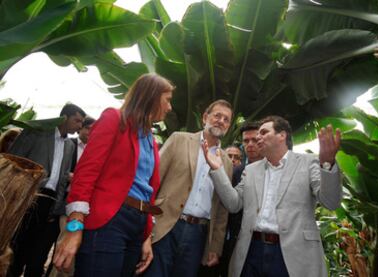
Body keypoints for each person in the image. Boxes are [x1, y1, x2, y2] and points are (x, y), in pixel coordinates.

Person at [53, 73, 174, 277]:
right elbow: (86, 172)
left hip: (137, 225)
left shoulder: (151, 140)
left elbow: (147, 189)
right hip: (110, 219)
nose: (170, 107)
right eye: (167, 100)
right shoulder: (114, 119)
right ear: (151, 96)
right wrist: (74, 227)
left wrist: (146, 237)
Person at [203, 115, 342, 277]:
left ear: (282, 135)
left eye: (263, 132)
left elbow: (331, 202)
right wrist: (217, 170)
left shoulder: (308, 163)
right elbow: (234, 204)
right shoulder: (252, 170)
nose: (257, 137)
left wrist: (328, 164)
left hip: (291, 254)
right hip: (251, 250)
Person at [144, 100, 233, 277]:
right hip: (165, 226)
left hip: (198, 234)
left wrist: (215, 246)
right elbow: (152, 182)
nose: (221, 121)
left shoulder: (227, 162)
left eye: (226, 119)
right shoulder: (179, 139)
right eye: (217, 115)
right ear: (205, 117)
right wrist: (146, 226)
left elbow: (222, 208)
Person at [7, 104, 86, 277]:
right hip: (27, 197)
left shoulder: (69, 146)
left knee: (34, 251)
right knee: (14, 248)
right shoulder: (37, 132)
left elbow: (63, 180)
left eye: (82, 122)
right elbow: (13, 159)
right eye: (77, 120)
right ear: (64, 117)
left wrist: (55, 208)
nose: (80, 126)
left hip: (48, 203)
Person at [48, 116, 96, 277]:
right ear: (81, 129)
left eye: (94, 129)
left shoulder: (96, 150)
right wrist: (77, 177)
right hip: (64, 202)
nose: (91, 132)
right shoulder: (70, 144)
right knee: (62, 245)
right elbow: (60, 171)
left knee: (68, 251)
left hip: (84, 208)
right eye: (88, 128)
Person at [218, 121, 263, 277]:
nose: (250, 144)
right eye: (246, 141)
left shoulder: (277, 169)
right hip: (236, 241)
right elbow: (225, 206)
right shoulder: (235, 172)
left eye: (255, 140)